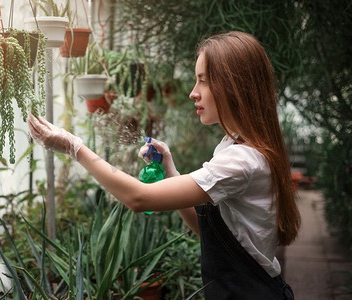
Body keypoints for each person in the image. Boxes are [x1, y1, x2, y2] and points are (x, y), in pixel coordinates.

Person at [28, 31, 299, 300]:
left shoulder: (242, 161)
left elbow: (138, 198)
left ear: (233, 86)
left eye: (203, 81)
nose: (193, 93)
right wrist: (171, 171)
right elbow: (212, 234)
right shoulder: (233, 145)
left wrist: (75, 148)